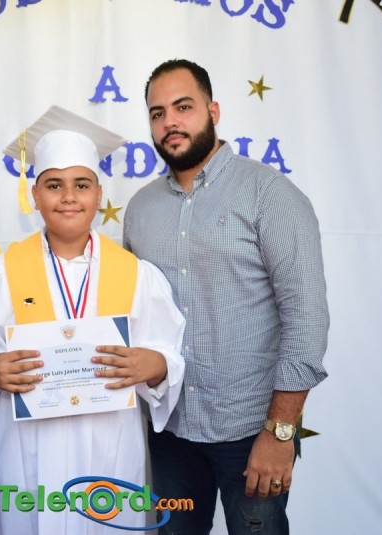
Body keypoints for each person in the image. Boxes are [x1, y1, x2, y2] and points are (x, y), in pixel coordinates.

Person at [123, 59, 330, 534]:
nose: (170, 122)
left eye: (183, 107)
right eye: (157, 113)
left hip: (252, 429)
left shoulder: (269, 194)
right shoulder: (140, 209)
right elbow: (132, 312)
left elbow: (306, 319)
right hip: (171, 429)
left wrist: (280, 432)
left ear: (212, 111)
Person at [0, 106, 186, 534]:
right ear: (35, 196)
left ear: (98, 195)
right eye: (54, 185)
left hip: (109, 451)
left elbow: (168, 356)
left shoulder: (137, 275)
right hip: (26, 456)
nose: (68, 197)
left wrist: (154, 365)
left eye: (81, 185)